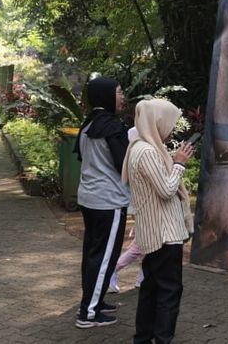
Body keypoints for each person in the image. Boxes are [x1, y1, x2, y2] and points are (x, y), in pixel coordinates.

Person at [123, 97, 195, 344]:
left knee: (152, 288)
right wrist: (179, 164)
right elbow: (166, 190)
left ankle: (144, 337)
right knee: (168, 290)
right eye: (168, 123)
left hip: (154, 232)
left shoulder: (141, 147)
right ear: (157, 121)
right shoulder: (147, 151)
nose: (169, 130)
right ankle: (160, 338)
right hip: (163, 233)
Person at [74, 77, 131, 329]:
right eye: (119, 92)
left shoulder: (88, 125)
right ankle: (88, 313)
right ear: (106, 95)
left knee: (93, 254)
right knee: (105, 256)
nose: (122, 97)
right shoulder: (112, 126)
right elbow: (124, 164)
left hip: (89, 198)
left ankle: (91, 301)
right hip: (109, 201)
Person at [110, 127, 147, 294]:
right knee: (140, 246)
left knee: (149, 245)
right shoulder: (138, 146)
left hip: (142, 204)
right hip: (143, 205)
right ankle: (111, 272)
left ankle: (143, 278)